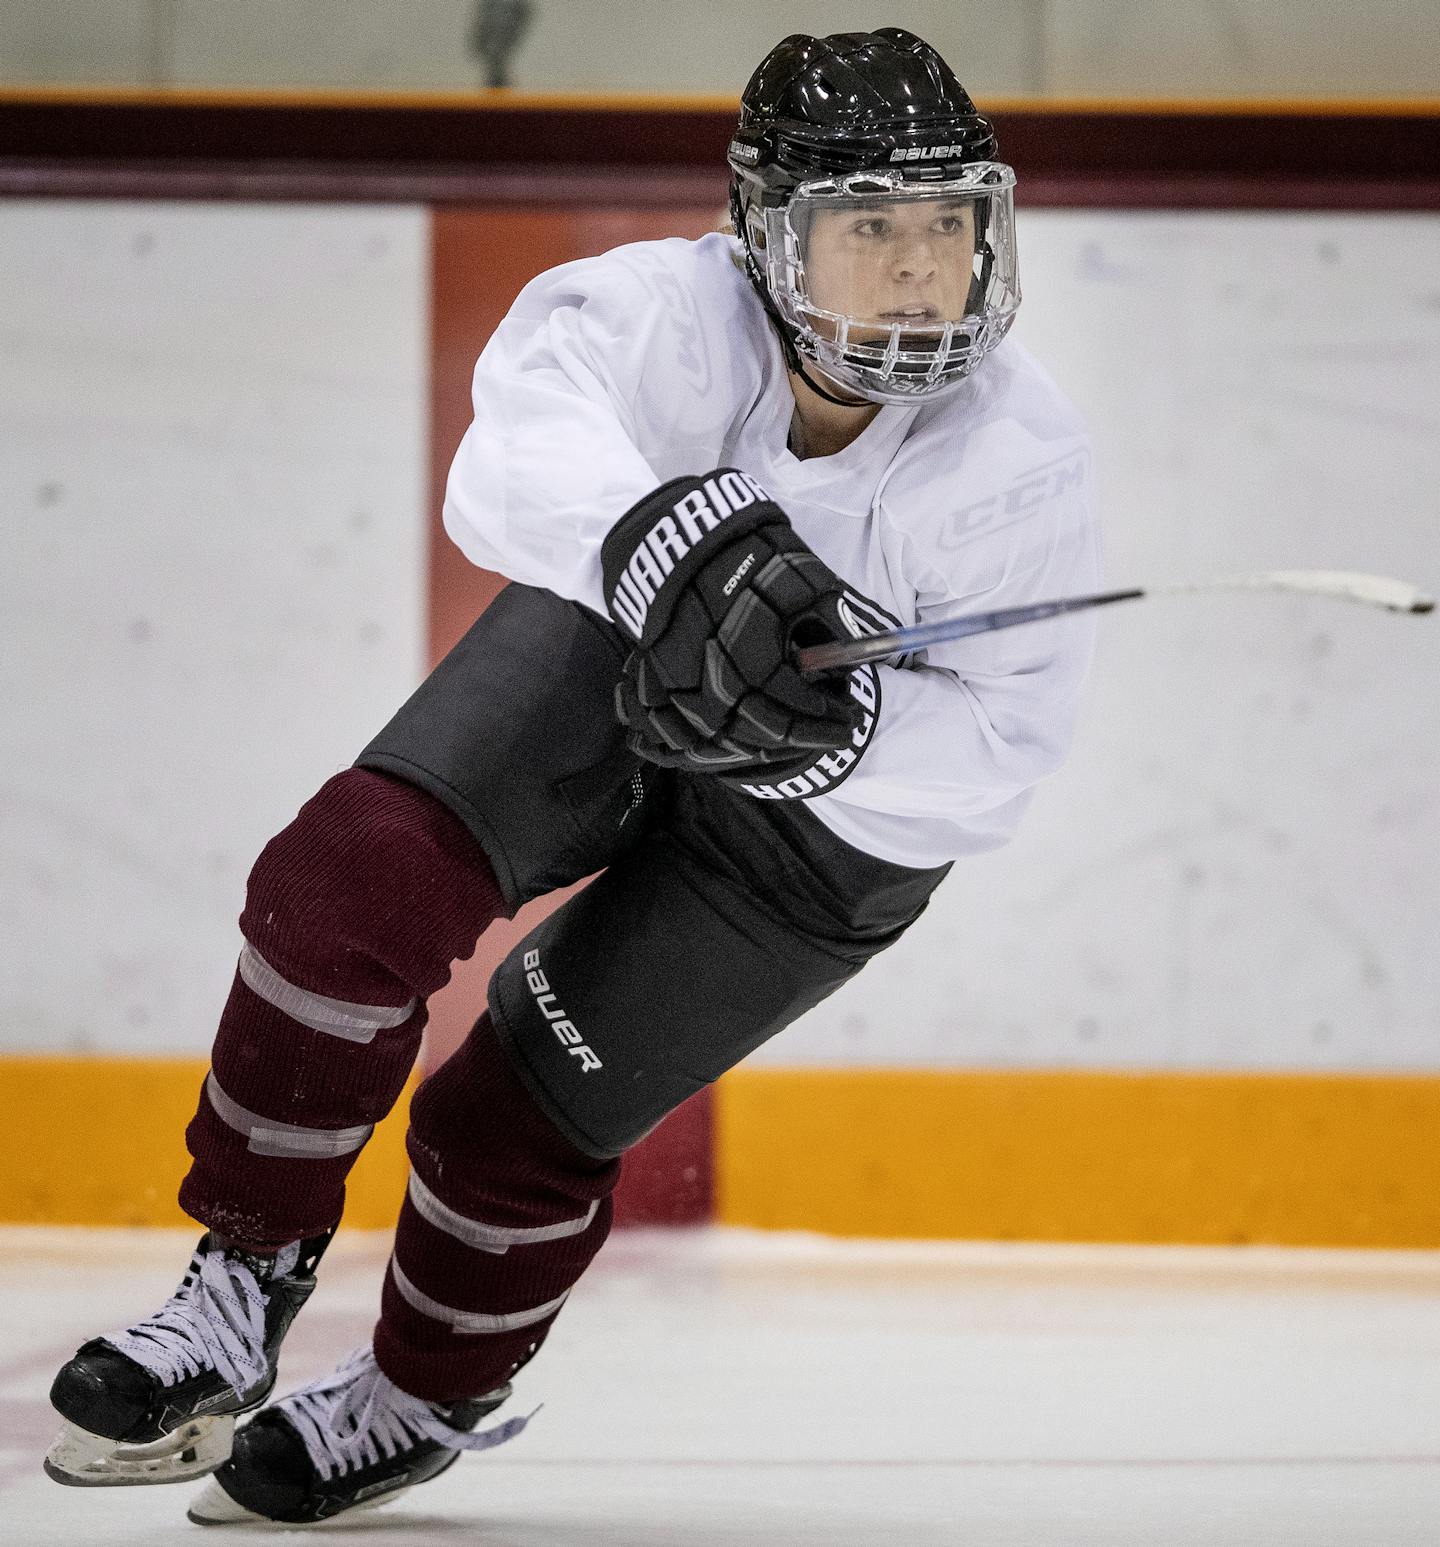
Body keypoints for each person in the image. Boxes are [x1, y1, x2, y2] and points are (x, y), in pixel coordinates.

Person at [44, 27, 1099, 1527]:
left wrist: (845, 737)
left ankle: (417, 1400)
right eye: (871, 225)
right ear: (764, 233)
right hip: (623, 643)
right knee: (348, 882)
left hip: (836, 829)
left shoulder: (1021, 460)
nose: (921, 267)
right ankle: (239, 1283)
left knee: (514, 1111)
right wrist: (671, 544)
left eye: (949, 223)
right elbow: (512, 456)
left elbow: (1006, 757)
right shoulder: (663, 315)